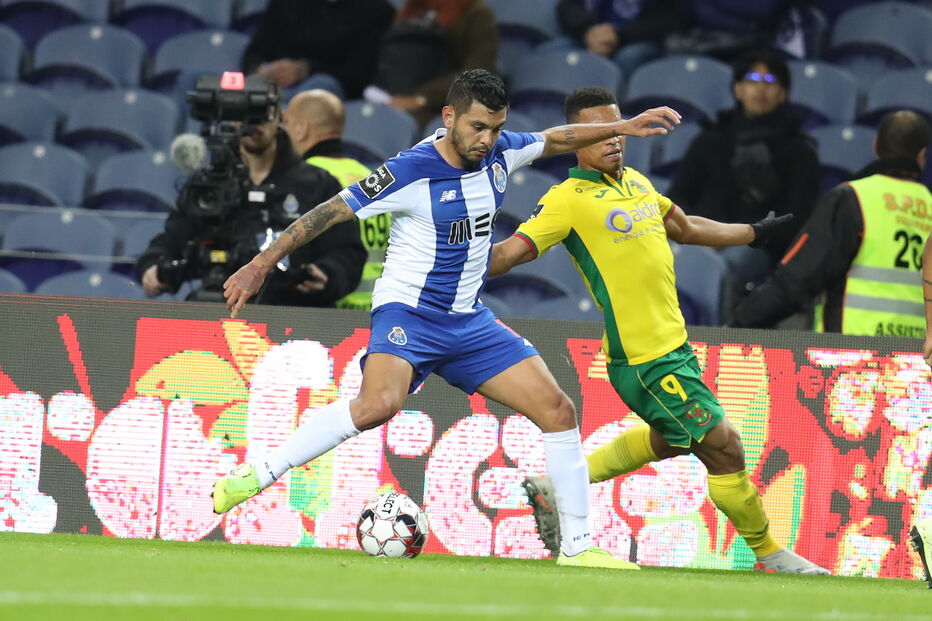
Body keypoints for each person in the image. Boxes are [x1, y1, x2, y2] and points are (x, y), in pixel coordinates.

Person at [214, 69, 682, 569]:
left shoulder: (501, 152)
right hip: (409, 315)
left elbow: (556, 138)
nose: (487, 139)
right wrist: (260, 265)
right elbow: (327, 212)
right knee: (377, 406)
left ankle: (577, 548)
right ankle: (257, 473)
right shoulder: (410, 171)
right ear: (449, 117)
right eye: (478, 127)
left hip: (469, 321)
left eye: (496, 128)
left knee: (558, 411)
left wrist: (622, 127)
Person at [489, 85, 828, 574]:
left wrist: (753, 233)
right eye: (601, 131)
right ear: (575, 138)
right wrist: (449, 258)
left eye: (618, 127)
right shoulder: (565, 201)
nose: (614, 138)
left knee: (673, 438)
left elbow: (686, 227)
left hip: (675, 349)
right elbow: (508, 254)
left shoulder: (637, 183)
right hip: (644, 360)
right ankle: (771, 554)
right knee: (724, 446)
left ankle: (554, 485)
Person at [137, 107, 366, 307]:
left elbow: (348, 252)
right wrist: (152, 267)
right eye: (244, 116)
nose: (253, 124)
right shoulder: (209, 185)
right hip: (217, 312)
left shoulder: (316, 183)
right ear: (232, 120)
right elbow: (171, 240)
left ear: (279, 118)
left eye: (261, 115)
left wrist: (327, 275)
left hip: (293, 315)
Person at [733, 110, 932, 335]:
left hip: (850, 349)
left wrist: (738, 324)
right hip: (918, 351)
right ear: (922, 156)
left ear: (876, 147)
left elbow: (796, 280)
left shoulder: (852, 198)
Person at [667, 49, 819, 324]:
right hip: (700, 235)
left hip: (757, 244)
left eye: (770, 81)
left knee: (727, 265)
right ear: (738, 89)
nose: (760, 88)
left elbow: (797, 217)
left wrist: (738, 235)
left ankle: (723, 340)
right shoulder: (710, 139)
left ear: (783, 93)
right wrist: (697, 232)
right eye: (752, 79)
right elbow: (679, 196)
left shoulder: (798, 150)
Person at [283, 89, 386, 310]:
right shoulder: (370, 176)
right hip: (374, 308)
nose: (284, 130)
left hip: (329, 311)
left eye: (287, 122)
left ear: (301, 129)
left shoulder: (309, 180)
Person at [368, 0, 498, 127]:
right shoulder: (414, 9)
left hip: (446, 102)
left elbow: (478, 73)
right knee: (368, 115)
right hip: (399, 92)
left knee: (395, 123)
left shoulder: (476, 14)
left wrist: (423, 98)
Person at [241, 0, 395, 100]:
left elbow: (358, 77)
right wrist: (260, 70)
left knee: (322, 86)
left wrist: (306, 69)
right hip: (275, 84)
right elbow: (256, 50)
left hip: (327, 93)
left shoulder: (375, 11)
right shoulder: (286, 3)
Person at [555, 0, 689, 77]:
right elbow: (567, 5)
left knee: (628, 57)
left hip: (637, 39)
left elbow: (668, 20)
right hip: (590, 35)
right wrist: (588, 30)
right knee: (556, 49)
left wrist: (617, 35)